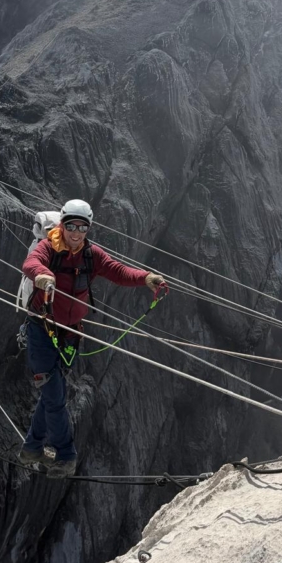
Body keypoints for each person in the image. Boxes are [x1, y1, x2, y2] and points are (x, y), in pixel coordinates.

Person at [19, 198, 167, 478]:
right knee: (55, 395)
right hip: (42, 328)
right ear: (62, 225)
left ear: (88, 229)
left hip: (72, 333)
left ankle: (32, 448)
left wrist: (146, 277)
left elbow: (118, 271)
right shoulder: (48, 247)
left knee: (53, 391)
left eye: (82, 227)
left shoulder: (91, 255)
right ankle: (65, 455)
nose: (75, 233)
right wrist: (42, 276)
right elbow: (32, 263)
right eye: (71, 226)